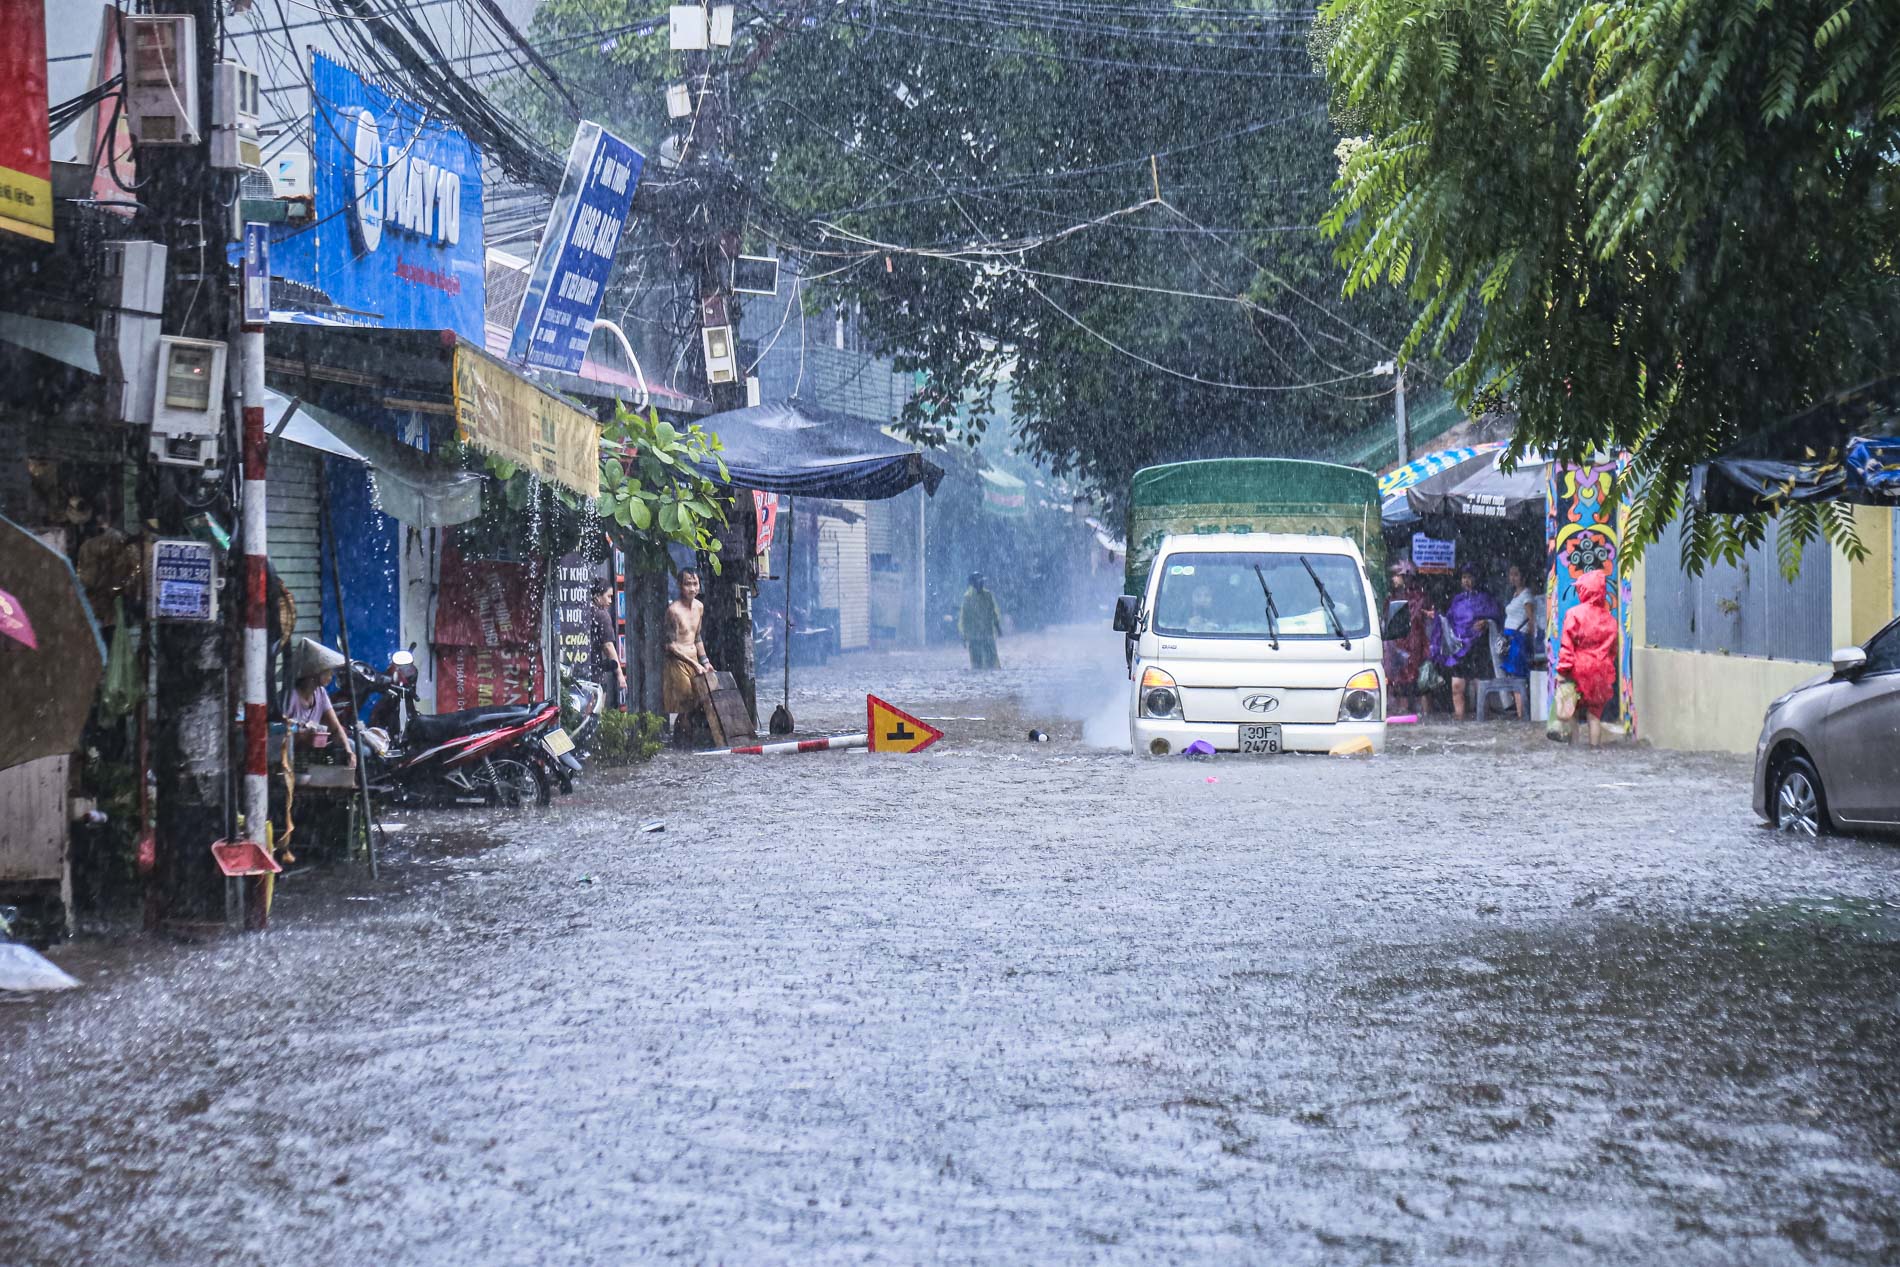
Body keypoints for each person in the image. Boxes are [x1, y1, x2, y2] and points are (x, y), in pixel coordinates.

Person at [1432, 563, 1504, 720]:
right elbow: (1447, 623)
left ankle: (1481, 721)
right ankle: (1460, 721)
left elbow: (1497, 617)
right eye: (1464, 577)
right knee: (1457, 686)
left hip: (1478, 647)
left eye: (1470, 577)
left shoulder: (1485, 599)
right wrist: (1437, 619)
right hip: (1459, 649)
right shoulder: (1457, 601)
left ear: (1476, 579)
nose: (1467, 581)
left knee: (1480, 687)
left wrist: (1486, 621)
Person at [1557, 567, 1619, 748]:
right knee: (1594, 716)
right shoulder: (1610, 619)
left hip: (1577, 670)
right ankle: (1594, 751)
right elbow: (1612, 651)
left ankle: (1574, 749)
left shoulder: (1574, 614)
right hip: (1600, 672)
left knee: (1572, 714)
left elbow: (1567, 646)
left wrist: (1563, 671)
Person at [283, 638, 355, 768]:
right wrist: (302, 735)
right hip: (293, 758)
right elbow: (281, 734)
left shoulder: (320, 693)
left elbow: (336, 728)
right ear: (313, 673)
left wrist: (348, 751)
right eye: (327, 671)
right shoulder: (291, 696)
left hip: (314, 754)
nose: (331, 675)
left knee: (351, 745)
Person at [663, 568, 713, 744]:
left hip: (695, 663)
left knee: (698, 705)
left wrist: (705, 661)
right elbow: (670, 645)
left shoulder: (700, 607)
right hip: (679, 663)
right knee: (685, 707)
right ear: (679, 586)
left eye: (695, 584)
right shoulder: (673, 611)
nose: (692, 588)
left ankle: (688, 742)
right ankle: (682, 744)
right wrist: (693, 663)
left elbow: (697, 637)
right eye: (687, 584)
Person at [1385, 565, 1435, 717]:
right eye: (1393, 575)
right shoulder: (1391, 598)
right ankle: (1403, 718)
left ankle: (1425, 719)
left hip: (1415, 647)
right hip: (1397, 648)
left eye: (1397, 575)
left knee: (1420, 685)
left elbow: (1425, 622)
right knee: (1400, 686)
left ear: (1406, 577)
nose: (1394, 579)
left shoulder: (1419, 598)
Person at [1496, 562, 1537, 719]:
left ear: (1523, 577)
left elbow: (1531, 619)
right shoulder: (1514, 595)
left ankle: (1522, 715)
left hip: (1518, 639)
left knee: (1518, 677)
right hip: (1511, 639)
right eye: (1511, 574)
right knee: (1513, 677)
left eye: (1516, 574)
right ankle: (1521, 714)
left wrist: (1530, 640)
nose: (1512, 578)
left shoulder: (1526, 595)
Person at [585, 580, 627, 710]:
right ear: (597, 595)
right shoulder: (602, 615)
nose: (610, 601)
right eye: (608, 596)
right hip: (594, 673)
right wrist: (620, 675)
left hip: (579, 669)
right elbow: (608, 646)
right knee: (595, 714)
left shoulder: (582, 611)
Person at [958, 572, 1004, 670]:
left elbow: (993, 612)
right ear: (972, 583)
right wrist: (964, 635)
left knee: (992, 663)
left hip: (987, 634)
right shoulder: (968, 598)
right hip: (974, 636)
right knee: (976, 664)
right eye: (979, 582)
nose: (981, 584)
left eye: (982, 581)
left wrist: (997, 626)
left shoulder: (988, 595)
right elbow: (964, 618)